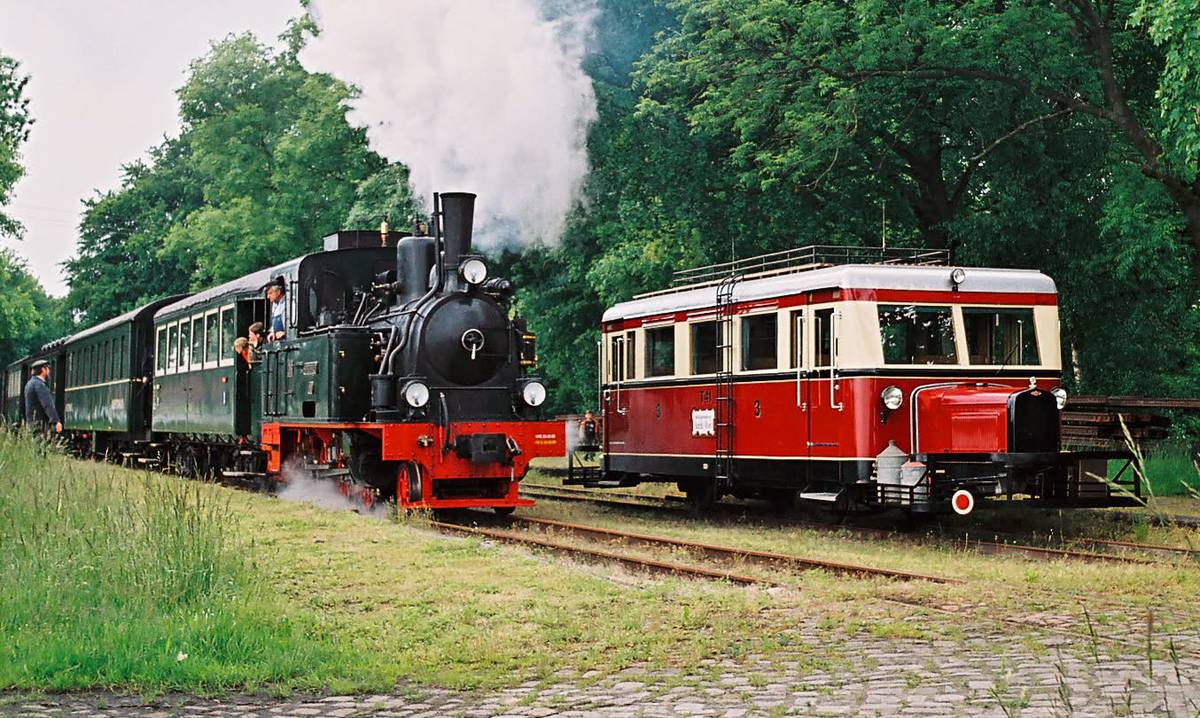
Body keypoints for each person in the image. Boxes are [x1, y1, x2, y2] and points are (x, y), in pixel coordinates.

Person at [23, 359, 62, 437]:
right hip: (40, 423)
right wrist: (56, 421)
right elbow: (47, 404)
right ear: (43, 369)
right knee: (40, 446)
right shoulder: (40, 385)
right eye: (47, 368)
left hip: (32, 422)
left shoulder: (29, 384)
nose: (48, 371)